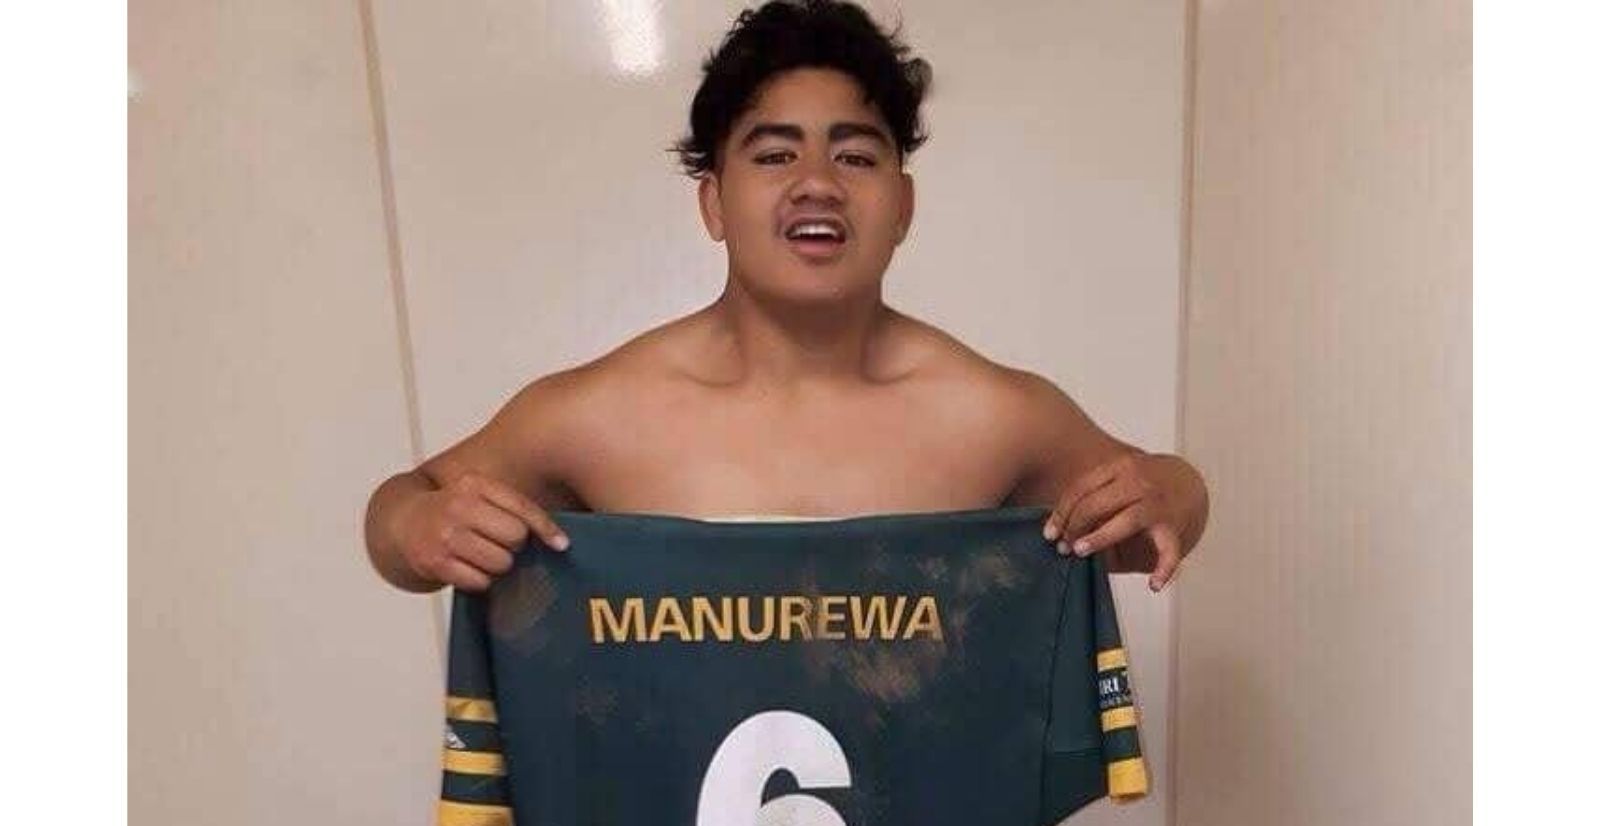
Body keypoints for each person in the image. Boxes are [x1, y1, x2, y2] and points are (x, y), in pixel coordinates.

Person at [363, 0, 1208, 598]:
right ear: (713, 204)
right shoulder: (600, 414)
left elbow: (1168, 499)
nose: (817, 183)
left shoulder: (989, 415)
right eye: (774, 156)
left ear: (903, 206)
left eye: (855, 157)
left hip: (933, 808)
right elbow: (403, 503)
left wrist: (1165, 497)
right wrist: (417, 531)